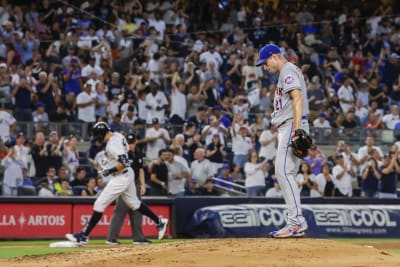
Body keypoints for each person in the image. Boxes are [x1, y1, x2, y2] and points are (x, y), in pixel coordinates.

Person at [65, 122, 168, 245]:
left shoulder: (112, 145)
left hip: (121, 177)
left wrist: (108, 170)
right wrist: (106, 162)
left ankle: (84, 235)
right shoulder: (118, 135)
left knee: (99, 204)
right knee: (134, 204)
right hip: (127, 174)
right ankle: (159, 221)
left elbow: (124, 162)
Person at [256, 44, 309, 238]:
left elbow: (297, 98)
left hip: (291, 126)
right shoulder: (285, 72)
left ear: (274, 56)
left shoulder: (287, 70)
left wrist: (296, 130)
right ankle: (295, 222)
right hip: (288, 126)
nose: (264, 67)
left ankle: (296, 222)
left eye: (265, 62)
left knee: (282, 171)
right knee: (288, 174)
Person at [107, 133, 151, 245]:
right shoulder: (122, 153)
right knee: (120, 211)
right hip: (125, 184)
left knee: (137, 211)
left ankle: (138, 238)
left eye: (132, 143)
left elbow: (141, 169)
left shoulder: (138, 152)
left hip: (135, 184)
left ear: (135, 142)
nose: (130, 145)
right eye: (128, 143)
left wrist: (142, 185)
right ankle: (111, 238)